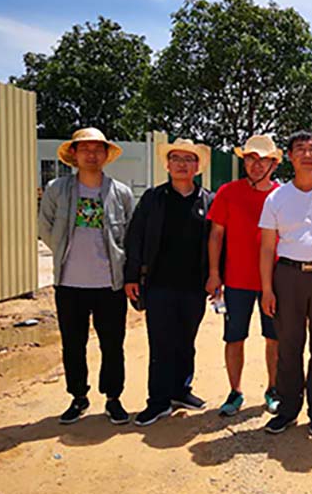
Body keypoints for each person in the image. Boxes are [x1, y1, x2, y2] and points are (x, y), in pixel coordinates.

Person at [38, 127, 134, 425]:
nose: (91, 155)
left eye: (97, 149)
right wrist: (66, 252)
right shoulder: (57, 189)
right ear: (75, 155)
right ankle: (78, 397)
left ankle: (113, 398)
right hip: (69, 284)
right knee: (73, 344)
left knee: (112, 344)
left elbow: (130, 234)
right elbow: (44, 227)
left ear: (106, 155)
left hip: (110, 285)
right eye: (85, 149)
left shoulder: (121, 193)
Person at [258, 131, 312, 436]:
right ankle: (287, 409)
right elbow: (267, 247)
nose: (307, 154)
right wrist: (267, 289)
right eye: (300, 149)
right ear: (290, 156)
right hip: (288, 278)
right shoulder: (277, 197)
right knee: (289, 347)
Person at [124, 138, 214, 426]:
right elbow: (134, 237)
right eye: (176, 158)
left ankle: (180, 390)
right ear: (167, 164)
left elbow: (217, 242)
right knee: (161, 343)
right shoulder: (153, 198)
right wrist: (131, 276)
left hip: (194, 287)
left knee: (186, 341)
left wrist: (216, 276)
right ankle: (158, 401)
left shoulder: (208, 201)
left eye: (189, 159)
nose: (182, 164)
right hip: (159, 285)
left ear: (197, 167)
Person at [205, 135, 282, 416]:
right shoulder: (227, 192)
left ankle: (273, 389)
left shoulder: (282, 195)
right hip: (235, 280)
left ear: (273, 164)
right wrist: (214, 273)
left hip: (273, 282)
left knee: (273, 338)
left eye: (263, 160)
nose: (256, 165)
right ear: (244, 160)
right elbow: (216, 235)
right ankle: (235, 392)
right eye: (251, 158)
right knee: (234, 337)